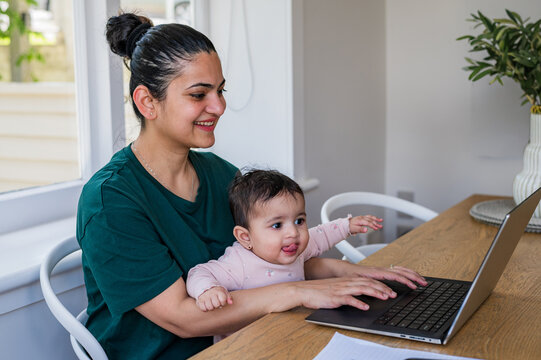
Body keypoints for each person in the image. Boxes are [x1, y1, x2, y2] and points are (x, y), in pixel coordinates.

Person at [76, 11, 427, 360]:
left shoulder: (220, 175)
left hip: (250, 339)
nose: (219, 106)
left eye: (220, 90)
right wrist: (301, 293)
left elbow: (274, 262)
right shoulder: (110, 201)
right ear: (147, 102)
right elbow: (181, 318)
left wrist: (363, 275)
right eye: (199, 95)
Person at [187, 169, 384, 340]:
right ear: (245, 237)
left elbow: (322, 234)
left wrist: (347, 226)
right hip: (245, 347)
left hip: (287, 332)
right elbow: (200, 272)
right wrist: (208, 290)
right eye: (277, 225)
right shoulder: (238, 263)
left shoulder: (295, 247)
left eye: (299, 220)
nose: (293, 233)